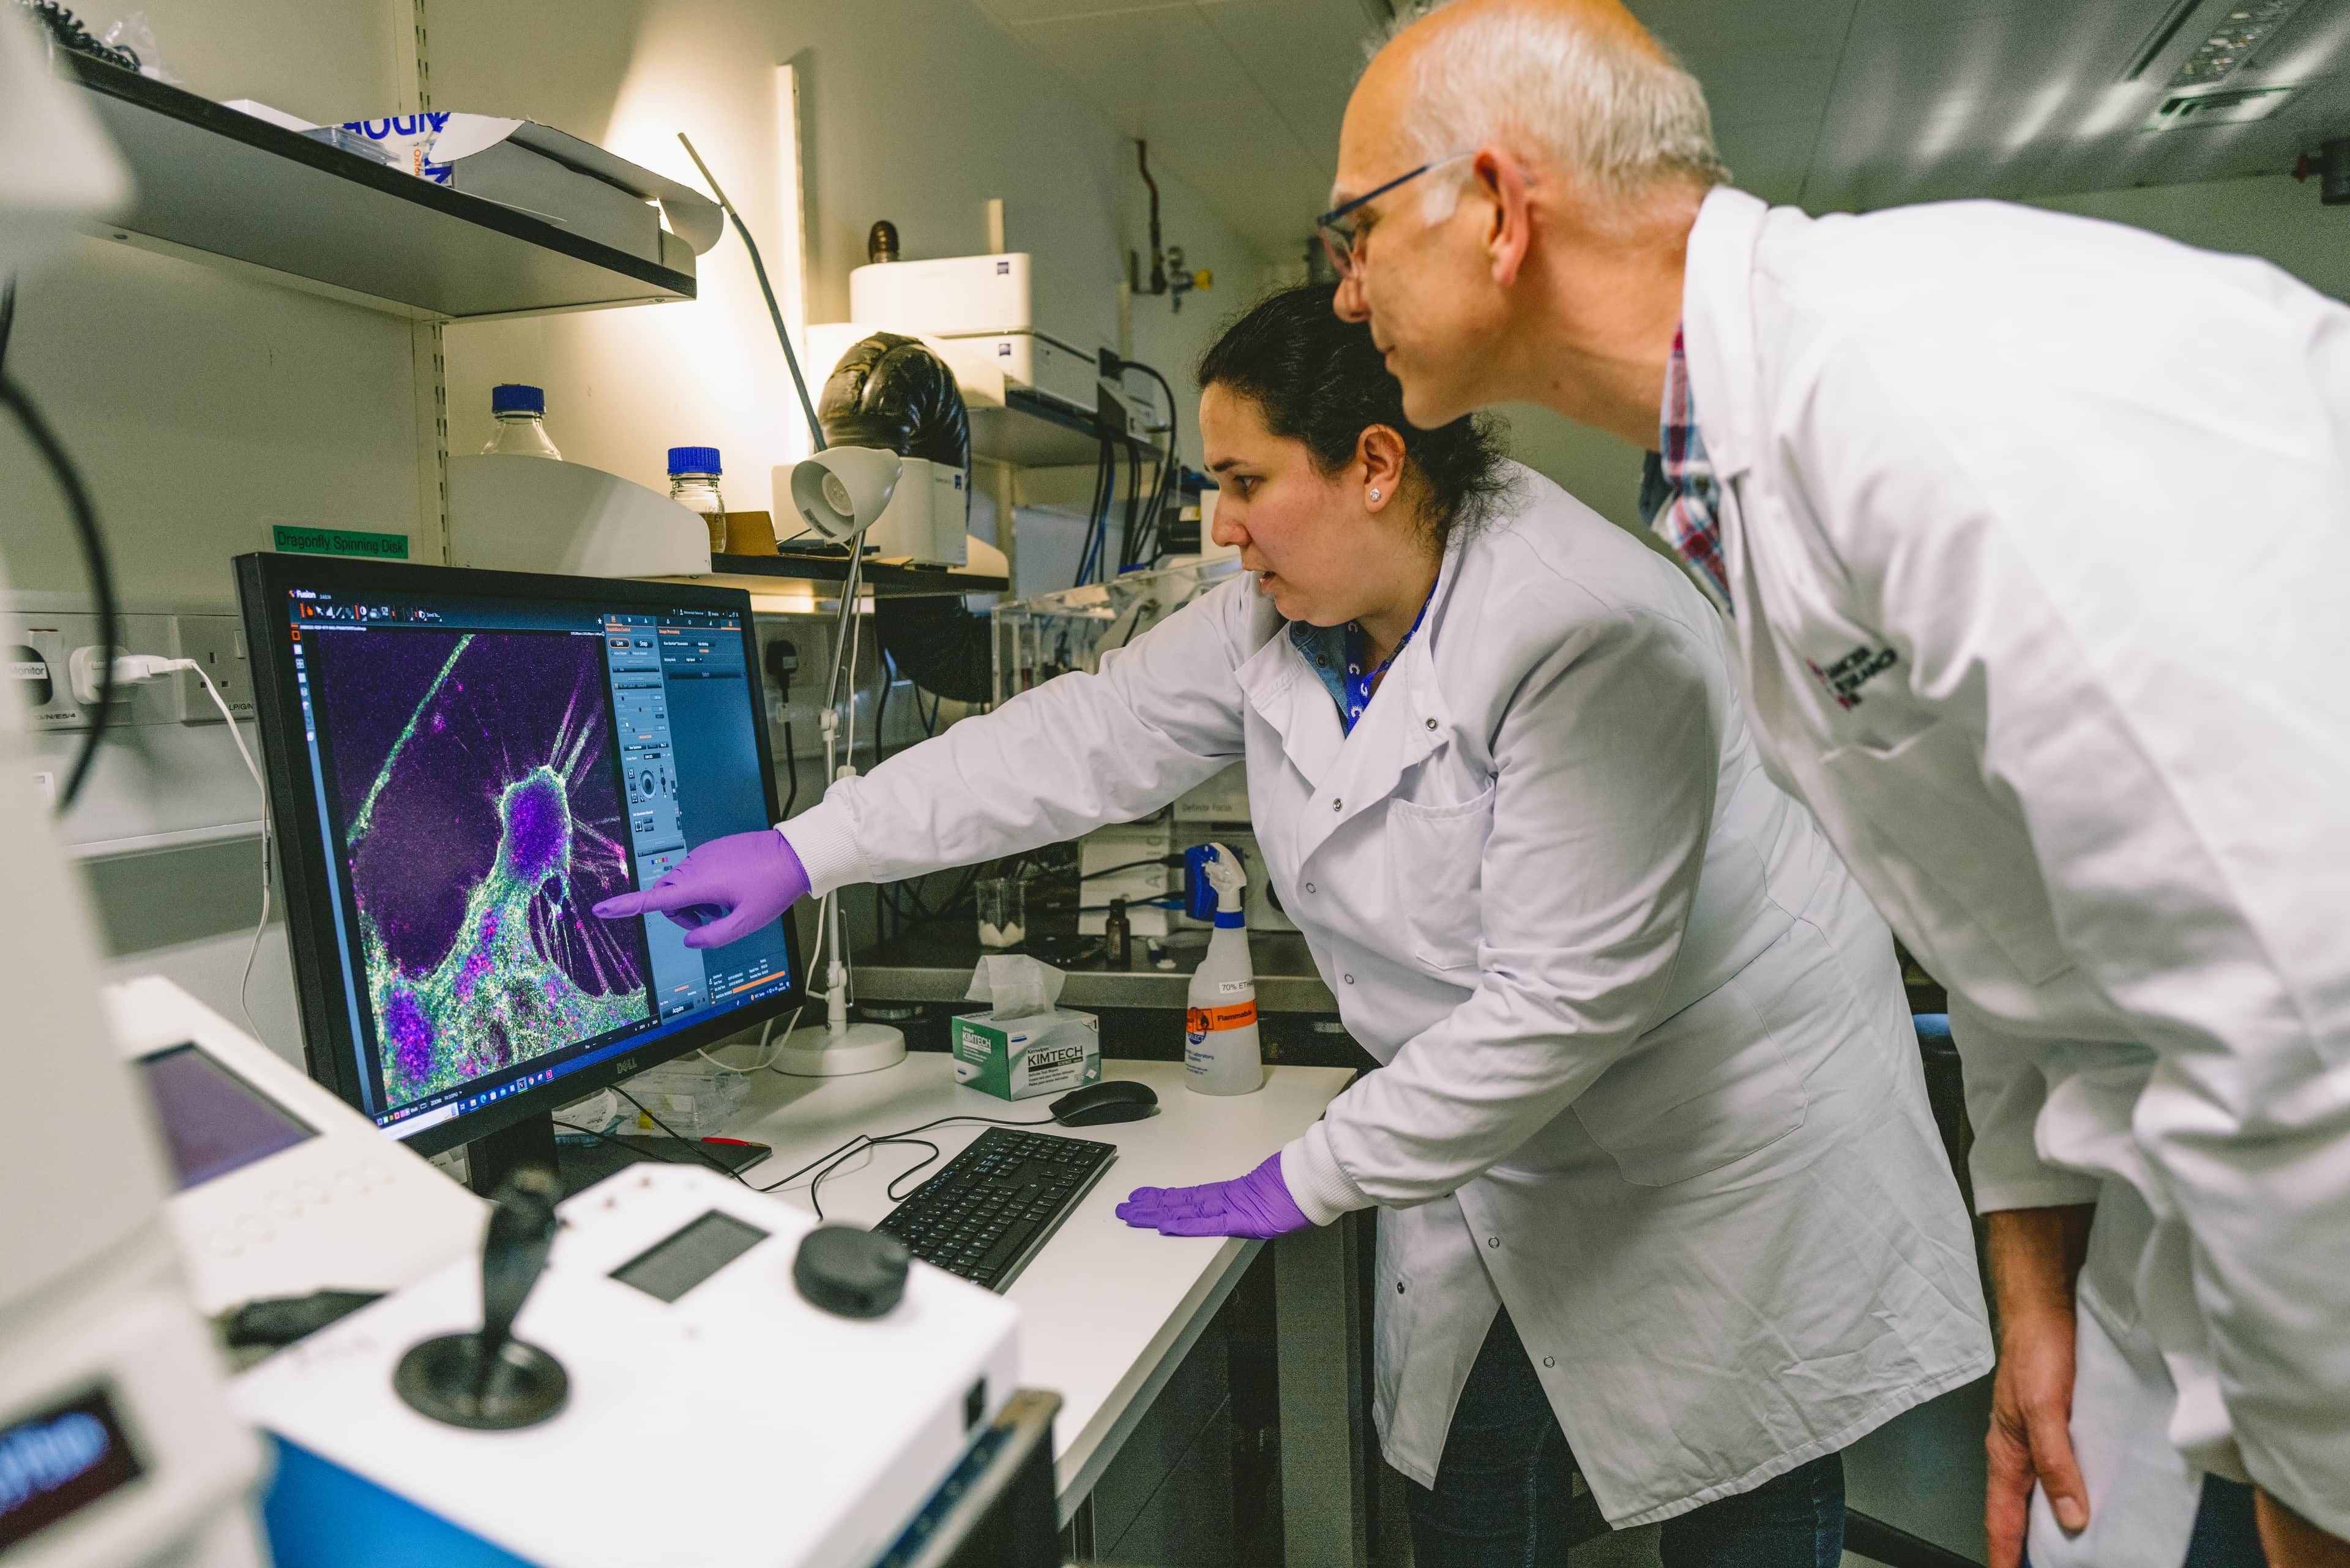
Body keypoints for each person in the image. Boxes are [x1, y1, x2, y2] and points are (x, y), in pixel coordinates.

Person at [597, 285, 1989, 1566]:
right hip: (1506, 1127)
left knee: (1743, 1494)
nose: (1222, 523)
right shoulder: (1283, 615)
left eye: (1248, 483)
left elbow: (1562, 1002)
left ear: (1375, 465)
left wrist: (1303, 1177)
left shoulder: (1582, 631)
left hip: (1723, 1129)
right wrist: (807, 845)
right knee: (1470, 1488)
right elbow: (1086, 737)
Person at [1322, 4, 2350, 1567]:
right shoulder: (1750, 465)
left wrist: (2315, 1506)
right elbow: (2014, 920)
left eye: (1358, 227)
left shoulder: (1917, 397)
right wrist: (2036, 1289)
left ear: (1498, 208)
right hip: (2231, 1267)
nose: (1344, 288)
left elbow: (2301, 998)